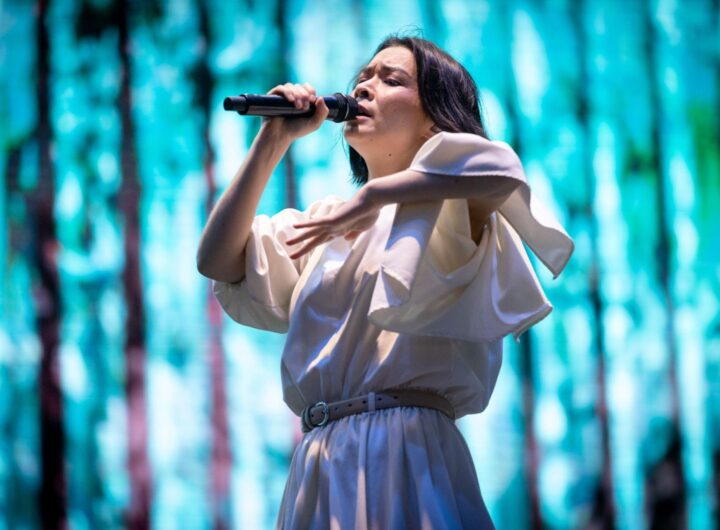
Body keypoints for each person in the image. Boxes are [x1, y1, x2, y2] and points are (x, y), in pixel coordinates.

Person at [197, 35, 573, 530]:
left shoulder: (452, 209)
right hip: (320, 459)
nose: (364, 87)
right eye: (362, 78)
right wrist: (273, 141)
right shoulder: (325, 220)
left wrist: (373, 198)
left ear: (437, 117)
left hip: (408, 450)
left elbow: (501, 170)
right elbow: (217, 259)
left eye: (390, 79)